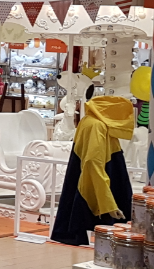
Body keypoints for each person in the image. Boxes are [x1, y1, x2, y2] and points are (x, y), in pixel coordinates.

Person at [50, 94, 135, 246]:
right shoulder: (97, 125)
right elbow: (93, 163)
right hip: (99, 179)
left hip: (85, 175)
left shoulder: (89, 121)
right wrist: (108, 203)